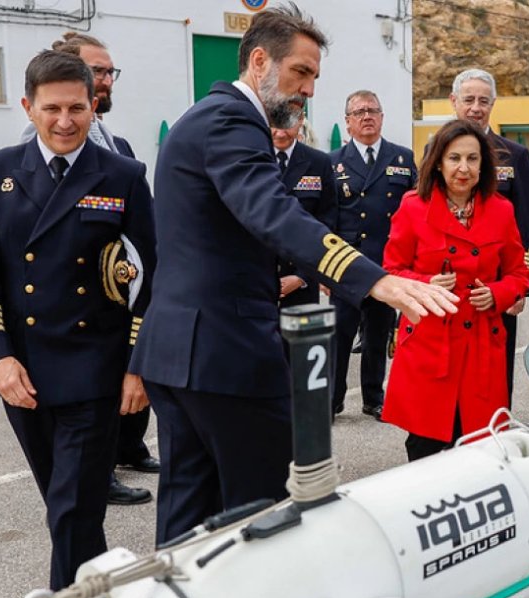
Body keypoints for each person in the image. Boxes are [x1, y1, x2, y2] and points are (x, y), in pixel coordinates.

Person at [131, 4, 457, 544]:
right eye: (300, 72)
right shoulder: (233, 120)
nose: (308, 88)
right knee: (266, 512)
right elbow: (273, 212)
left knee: (189, 520)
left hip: (181, 354)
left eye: (314, 77)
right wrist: (373, 279)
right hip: (225, 353)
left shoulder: (201, 118)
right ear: (259, 61)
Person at [0, 50, 156, 598]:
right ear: (29, 107)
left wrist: (137, 365)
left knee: (73, 508)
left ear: (94, 106)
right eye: (52, 109)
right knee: (69, 508)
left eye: (77, 108)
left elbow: (150, 275)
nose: (65, 121)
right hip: (22, 374)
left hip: (94, 369)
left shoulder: (123, 175)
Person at [21, 31, 155, 503]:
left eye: (109, 72)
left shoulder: (116, 147)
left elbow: (142, 249)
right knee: (70, 487)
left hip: (109, 319)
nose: (106, 80)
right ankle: (106, 470)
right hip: (56, 329)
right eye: (97, 71)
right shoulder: (32, 150)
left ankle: (128, 450)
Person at [382, 119, 529, 460]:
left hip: (481, 346)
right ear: (438, 162)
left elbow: (518, 274)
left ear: (483, 165)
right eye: (454, 158)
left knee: (481, 448)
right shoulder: (412, 207)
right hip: (430, 345)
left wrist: (497, 294)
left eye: (472, 159)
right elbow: (391, 271)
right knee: (425, 448)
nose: (463, 168)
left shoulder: (501, 210)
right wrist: (426, 285)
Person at [449, 68, 529, 400]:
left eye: (483, 101)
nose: (476, 108)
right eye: (469, 99)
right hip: (451, 281)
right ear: (454, 101)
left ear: (493, 104)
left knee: (497, 365)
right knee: (452, 365)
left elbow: (527, 223)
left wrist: (522, 285)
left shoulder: (514, 155)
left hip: (497, 282)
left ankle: (497, 422)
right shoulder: (436, 151)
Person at [328, 90, 415, 420]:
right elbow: (326, 219)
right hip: (345, 264)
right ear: (347, 121)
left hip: (386, 263)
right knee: (340, 335)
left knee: (378, 335)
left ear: (381, 117)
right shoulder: (332, 162)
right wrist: (322, 268)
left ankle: (374, 398)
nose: (367, 116)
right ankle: (333, 400)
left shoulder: (402, 158)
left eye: (372, 111)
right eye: (359, 112)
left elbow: (415, 210)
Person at [272, 114, 338, 310]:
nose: (280, 133)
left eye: (287, 125)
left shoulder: (318, 162)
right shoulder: (251, 159)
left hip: (303, 284)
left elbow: (327, 224)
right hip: (257, 282)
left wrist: (302, 277)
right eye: (274, 126)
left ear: (300, 121)